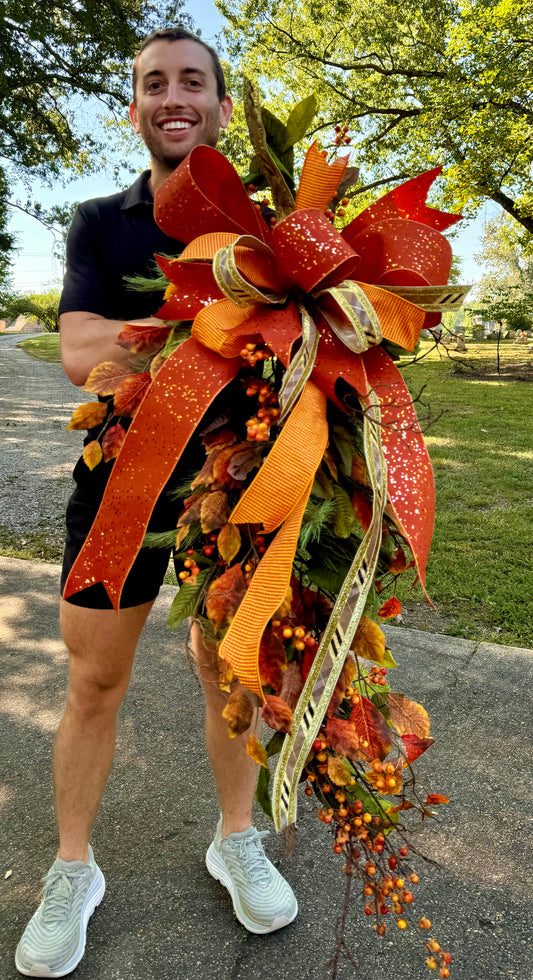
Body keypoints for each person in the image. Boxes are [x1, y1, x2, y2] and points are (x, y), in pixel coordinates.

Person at [15, 28, 297, 979]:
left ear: (221, 104)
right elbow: (76, 353)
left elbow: (319, 338)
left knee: (231, 676)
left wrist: (160, 337)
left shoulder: (274, 223)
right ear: (134, 109)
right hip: (119, 492)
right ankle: (72, 871)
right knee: (94, 682)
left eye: (193, 82)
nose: (173, 97)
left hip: (243, 486)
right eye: (152, 84)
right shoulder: (101, 221)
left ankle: (234, 840)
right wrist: (218, 323)